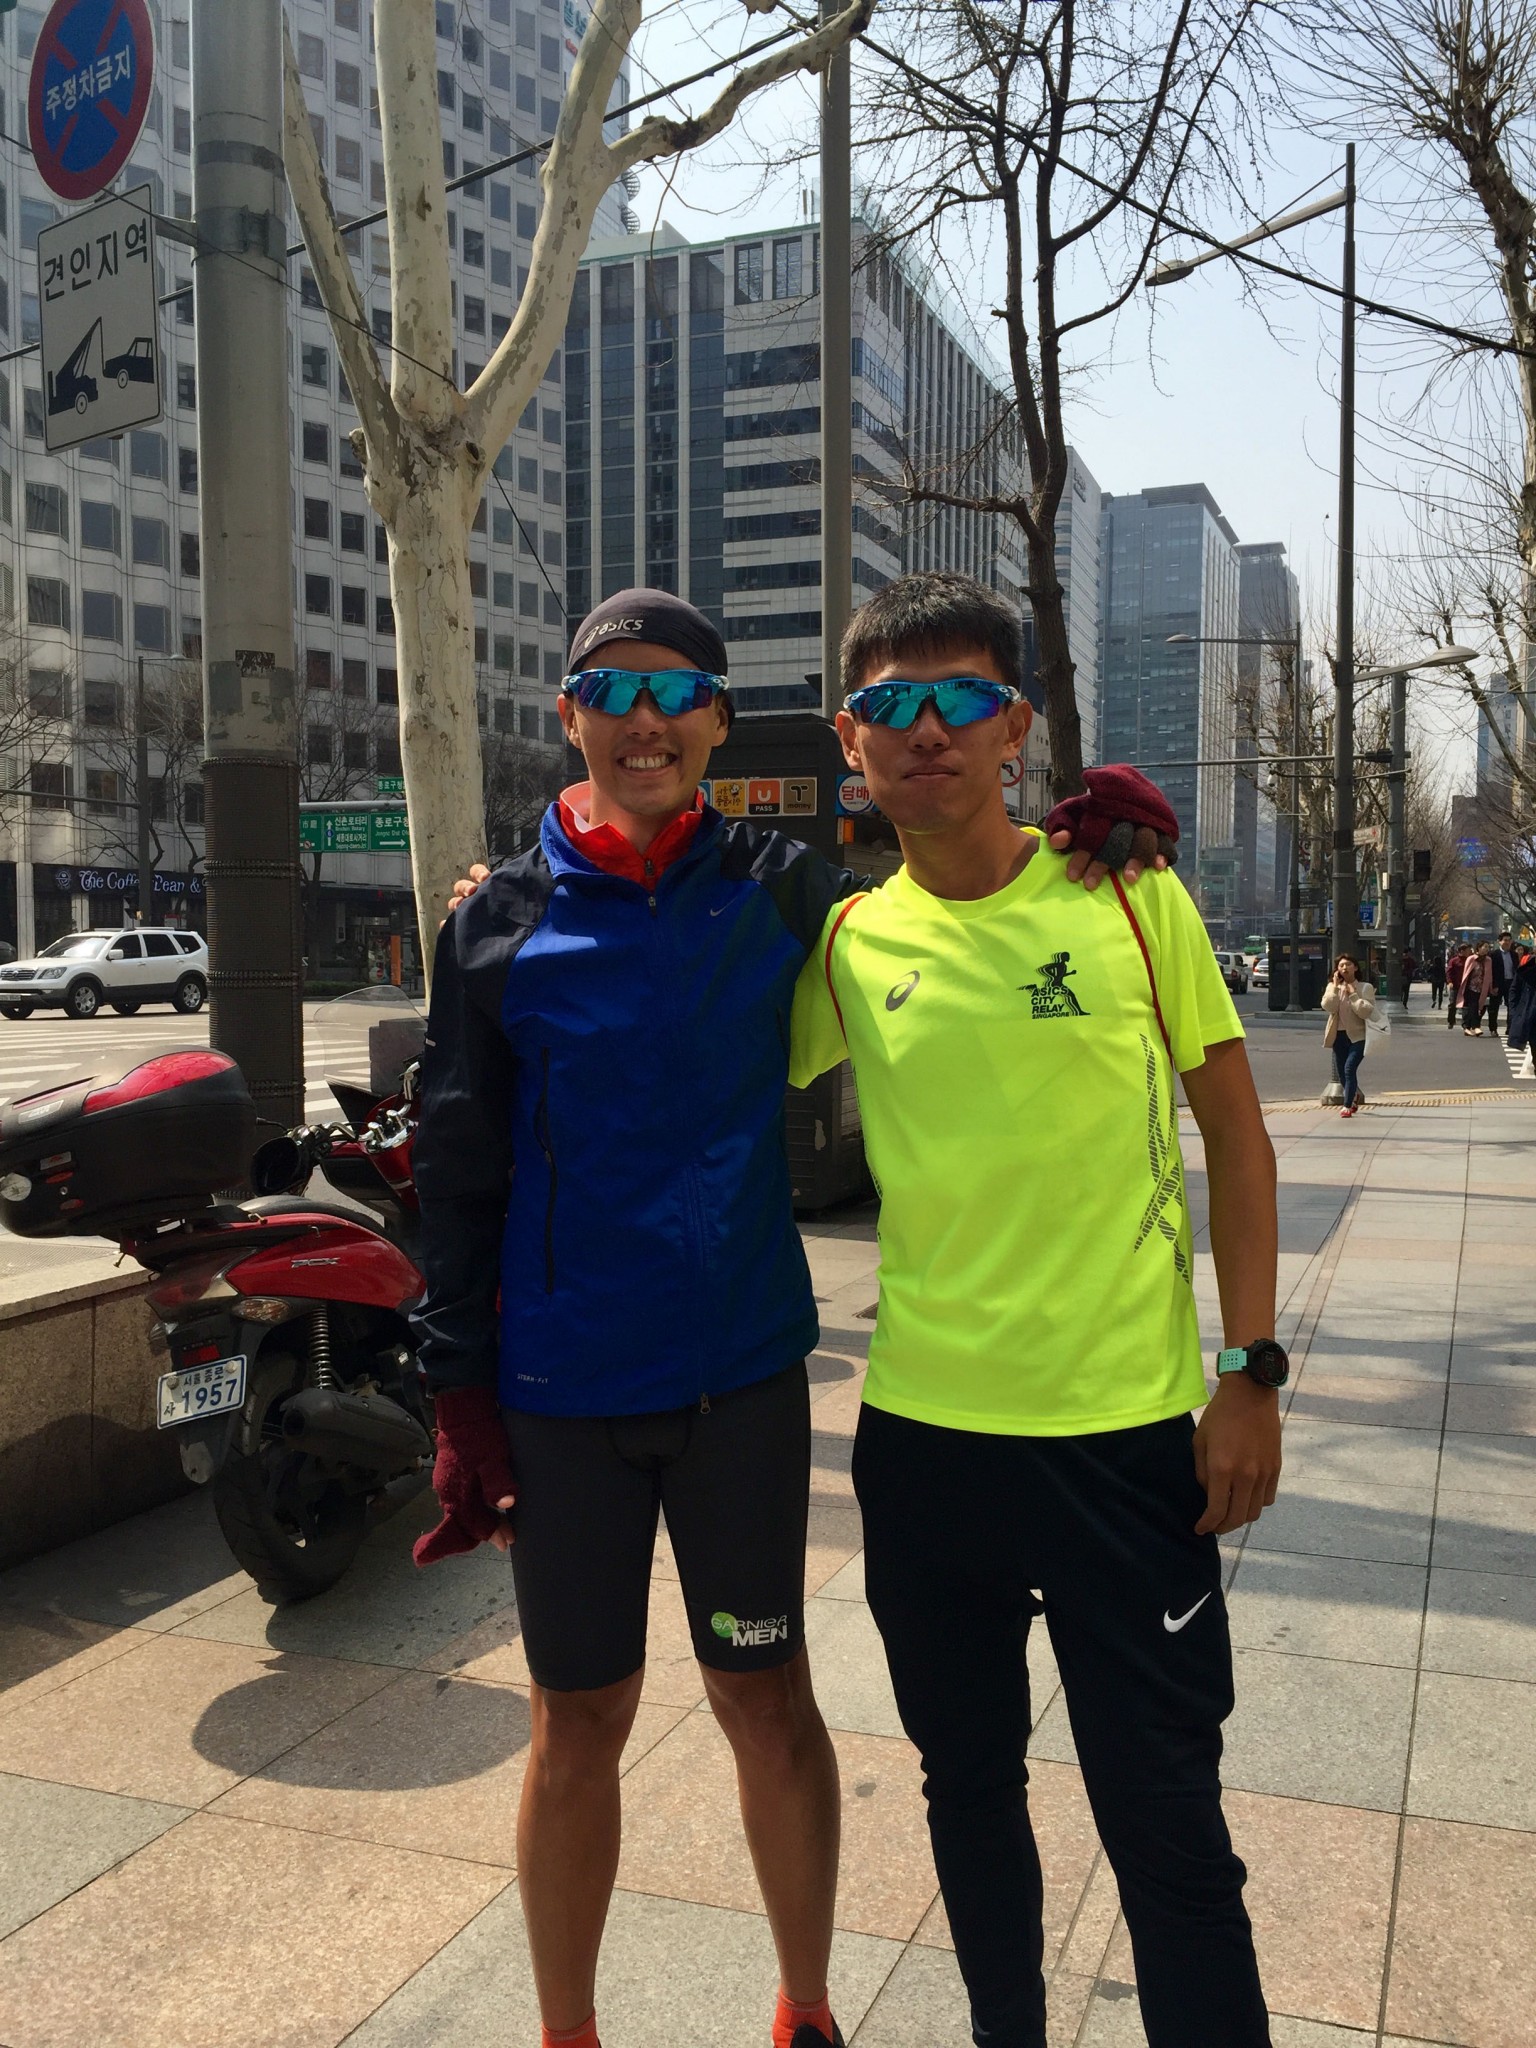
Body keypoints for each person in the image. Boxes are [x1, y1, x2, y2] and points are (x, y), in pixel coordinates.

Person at [410, 586, 1175, 2048]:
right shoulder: (496, 921)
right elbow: (455, 1168)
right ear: (568, 717)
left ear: (718, 721)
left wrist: (1097, 834)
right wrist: (458, 1393)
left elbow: (954, 890)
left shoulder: (789, 895)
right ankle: (566, 2030)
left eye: (675, 693)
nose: (644, 720)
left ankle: (805, 2009)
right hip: (563, 1389)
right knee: (577, 1722)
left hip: (742, 1382)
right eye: (612, 691)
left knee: (765, 1699)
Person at [790, 572, 1283, 2048]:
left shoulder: (1127, 895)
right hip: (924, 1444)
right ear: (849, 739)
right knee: (968, 1791)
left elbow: (1238, 1135)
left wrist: (1250, 1371)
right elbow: (682, 1041)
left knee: (1166, 1817)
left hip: (1125, 1442)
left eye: (960, 699)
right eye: (890, 705)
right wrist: (509, 906)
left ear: (1014, 726)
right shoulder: (846, 944)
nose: (925, 729)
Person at [1322, 953, 1374, 1117]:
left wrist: (1353, 994)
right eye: (1341, 965)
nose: (1344, 968)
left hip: (1359, 1036)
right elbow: (1328, 1007)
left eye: (1348, 964)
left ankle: (1347, 1105)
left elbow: (1365, 1012)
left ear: (1355, 968)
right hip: (1338, 1036)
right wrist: (1335, 988)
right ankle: (1353, 1096)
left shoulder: (1365, 987)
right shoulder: (1332, 987)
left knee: (1349, 1068)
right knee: (1342, 1071)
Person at [1488, 930, 1518, 1037]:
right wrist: (1493, 985)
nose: (1507, 942)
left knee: (1511, 1006)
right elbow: (1491, 971)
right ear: (1499, 941)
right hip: (1498, 984)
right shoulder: (1493, 955)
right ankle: (1493, 1028)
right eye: (1505, 940)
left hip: (1511, 983)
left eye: (1509, 940)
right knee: (1494, 1007)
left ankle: (1510, 1028)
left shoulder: (1514, 955)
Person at [1461, 940, 1493, 1036]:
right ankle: (1476, 1026)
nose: (1486, 949)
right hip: (1472, 987)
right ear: (1479, 948)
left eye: (1488, 947)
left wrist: (1491, 987)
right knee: (1474, 1006)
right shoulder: (1471, 959)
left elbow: (1490, 975)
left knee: (1481, 1007)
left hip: (1483, 988)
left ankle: (1467, 1026)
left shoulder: (1488, 960)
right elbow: (1466, 973)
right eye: (1485, 947)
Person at [1445, 943, 1467, 1029]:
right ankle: (1451, 1021)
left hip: (1466, 985)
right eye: (1466, 950)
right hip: (1455, 985)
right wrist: (1449, 982)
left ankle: (1465, 1023)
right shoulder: (1454, 961)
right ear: (1461, 951)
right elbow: (1449, 972)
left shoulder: (1469, 960)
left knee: (1465, 1005)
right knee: (1452, 1003)